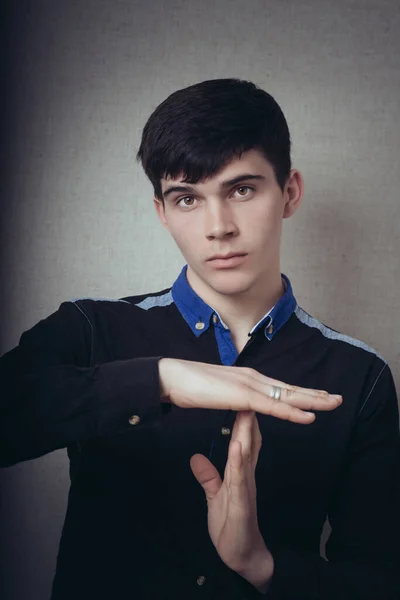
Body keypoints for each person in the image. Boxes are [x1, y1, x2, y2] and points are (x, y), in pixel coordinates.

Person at [1, 78, 399, 600]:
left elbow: (379, 582)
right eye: (188, 198)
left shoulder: (360, 377)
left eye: (242, 189)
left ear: (290, 193)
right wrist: (159, 379)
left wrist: (262, 565)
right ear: (162, 212)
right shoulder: (89, 329)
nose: (219, 227)